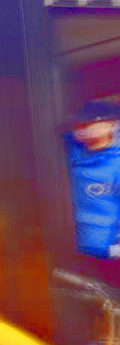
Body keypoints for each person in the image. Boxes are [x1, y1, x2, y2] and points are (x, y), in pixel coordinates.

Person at [66, 101, 120, 261]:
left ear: (111, 124)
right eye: (81, 124)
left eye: (92, 122)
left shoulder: (116, 161)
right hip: (70, 247)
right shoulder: (65, 152)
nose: (86, 128)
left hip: (109, 249)